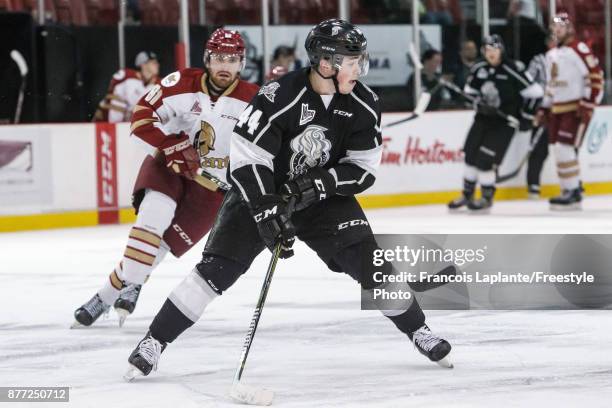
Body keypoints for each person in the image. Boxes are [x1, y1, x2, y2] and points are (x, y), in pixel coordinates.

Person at [124, 18, 453, 380]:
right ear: (326, 63)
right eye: (352, 59)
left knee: (369, 263)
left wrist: (320, 184)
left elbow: (363, 169)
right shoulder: (279, 95)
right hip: (262, 192)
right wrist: (266, 209)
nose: (359, 67)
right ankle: (153, 342)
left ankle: (418, 330)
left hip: (321, 198)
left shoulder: (365, 102)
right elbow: (247, 157)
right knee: (217, 271)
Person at [73, 29, 259, 327]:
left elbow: (268, 146)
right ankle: (132, 286)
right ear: (207, 59)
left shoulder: (254, 99)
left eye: (233, 59)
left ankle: (105, 297)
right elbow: (141, 116)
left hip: (212, 189)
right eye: (219, 58)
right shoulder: (181, 83)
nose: (225, 65)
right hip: (169, 167)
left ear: (242, 63)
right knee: (152, 218)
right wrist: (170, 145)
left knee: (158, 248)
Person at [448, 34, 543, 212]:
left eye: (494, 49)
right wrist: (478, 103)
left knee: (485, 161)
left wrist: (527, 117)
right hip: (482, 119)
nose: (491, 53)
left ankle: (486, 197)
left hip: (504, 123)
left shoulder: (512, 69)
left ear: (501, 50)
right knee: (470, 156)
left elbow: (536, 93)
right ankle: (467, 195)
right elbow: (470, 93)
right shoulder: (479, 69)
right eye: (487, 50)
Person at [536, 12, 603, 210]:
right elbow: (552, 84)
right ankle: (569, 188)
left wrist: (589, 103)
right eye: (554, 27)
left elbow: (595, 76)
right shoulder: (551, 54)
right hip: (557, 108)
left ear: (569, 29)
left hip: (575, 107)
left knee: (565, 147)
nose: (557, 30)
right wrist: (544, 107)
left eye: (561, 27)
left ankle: (572, 190)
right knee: (557, 149)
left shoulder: (578, 49)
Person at [525, 34, 556, 199]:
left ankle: (573, 184)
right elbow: (526, 83)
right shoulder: (539, 61)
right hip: (544, 110)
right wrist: (538, 102)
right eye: (553, 40)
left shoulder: (569, 58)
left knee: (567, 147)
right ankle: (533, 185)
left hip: (564, 109)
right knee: (539, 149)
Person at [93, 51, 160, 123]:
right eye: (153, 62)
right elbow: (111, 102)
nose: (157, 65)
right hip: (106, 122)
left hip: (127, 123)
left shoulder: (157, 83)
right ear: (143, 65)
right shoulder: (127, 77)